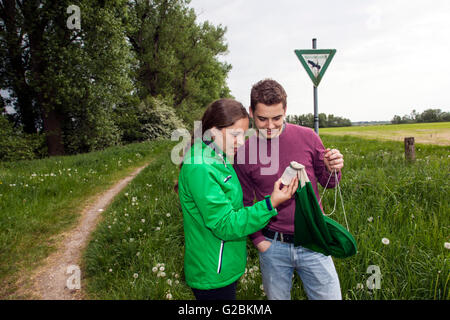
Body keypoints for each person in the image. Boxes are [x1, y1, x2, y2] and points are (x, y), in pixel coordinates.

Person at [233, 79, 345, 300]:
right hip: (273, 245)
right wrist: (258, 241)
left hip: (314, 239)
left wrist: (333, 168)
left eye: (277, 118)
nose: (270, 126)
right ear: (251, 113)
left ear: (285, 110)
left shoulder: (308, 137)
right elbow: (244, 203)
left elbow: (329, 182)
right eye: (262, 119)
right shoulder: (243, 151)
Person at [177, 98, 298, 300]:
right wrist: (271, 203)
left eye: (244, 134)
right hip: (212, 271)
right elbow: (225, 224)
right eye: (235, 134)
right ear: (213, 131)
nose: (241, 142)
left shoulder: (216, 156)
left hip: (222, 265)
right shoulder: (201, 166)